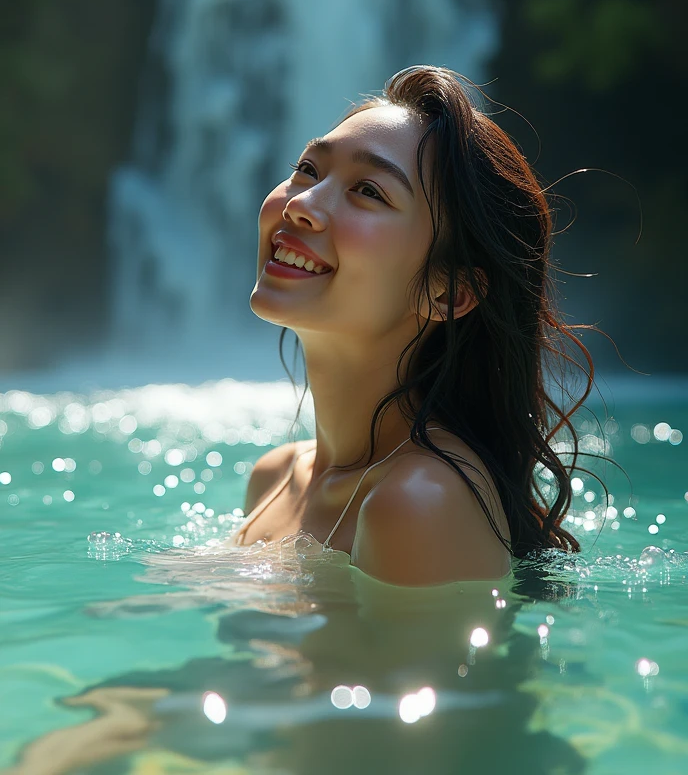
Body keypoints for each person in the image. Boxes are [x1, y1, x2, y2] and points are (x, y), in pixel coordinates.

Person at [232, 64, 594, 585]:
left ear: (446, 292)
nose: (302, 204)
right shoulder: (276, 476)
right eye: (308, 169)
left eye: (368, 191)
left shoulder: (419, 502)